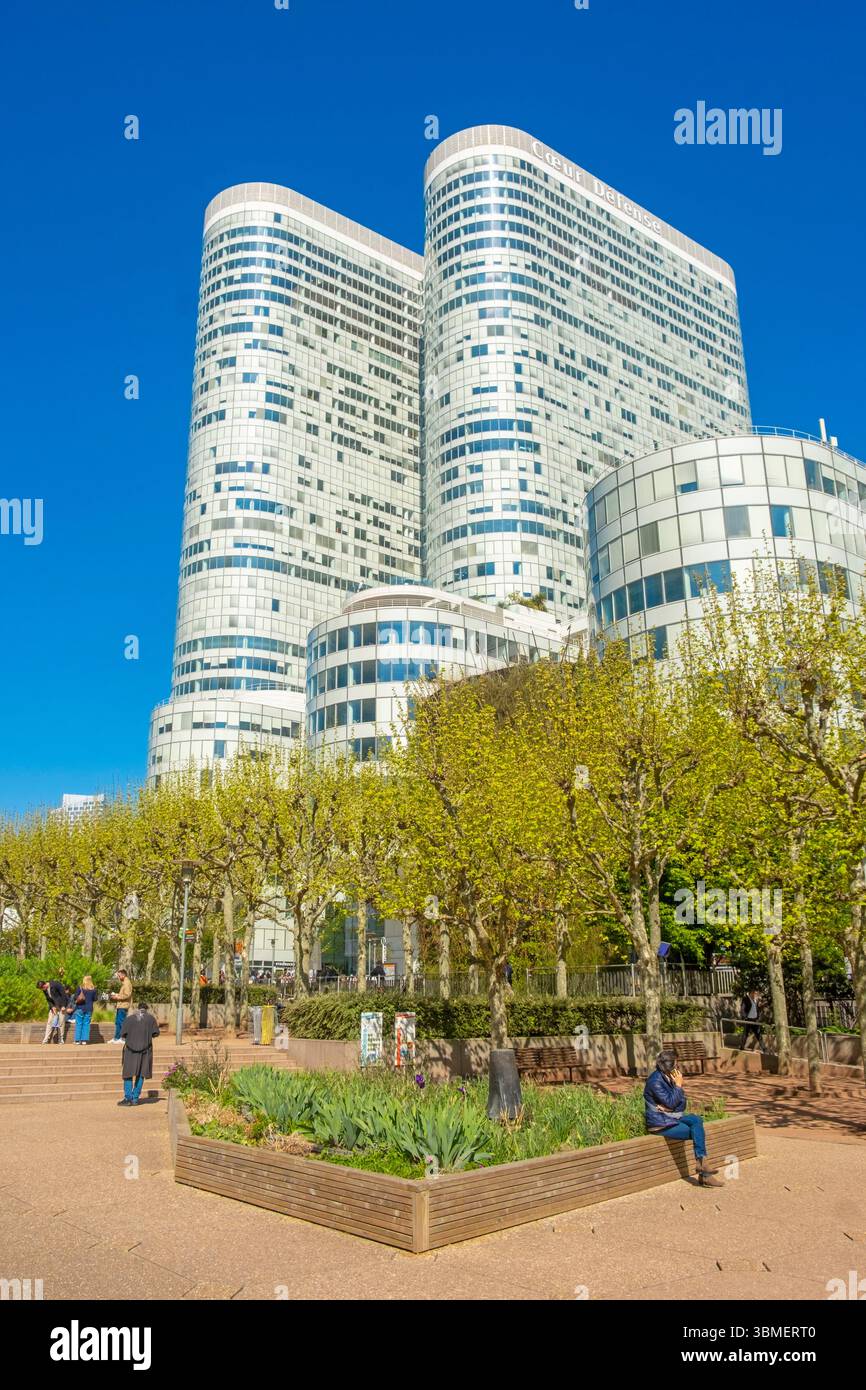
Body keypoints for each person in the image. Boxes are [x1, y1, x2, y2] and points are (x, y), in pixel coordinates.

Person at [644, 1048, 723, 1187]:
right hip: (660, 1123)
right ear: (669, 1066)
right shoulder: (655, 1081)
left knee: (696, 1120)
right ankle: (704, 1172)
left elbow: (681, 1103)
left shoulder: (668, 1077)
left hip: (671, 1116)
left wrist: (670, 1106)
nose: (678, 1067)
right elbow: (672, 1102)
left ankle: (702, 1165)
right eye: (676, 1064)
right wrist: (678, 1086)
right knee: (695, 1131)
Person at [119, 1002, 160, 1106]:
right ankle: (135, 1098)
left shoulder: (129, 1018)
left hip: (130, 1050)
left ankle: (128, 1098)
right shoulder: (151, 1019)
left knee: (128, 1074)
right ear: (146, 1009)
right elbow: (155, 1033)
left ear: (138, 1008)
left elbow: (123, 1034)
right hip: (145, 1051)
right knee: (141, 1074)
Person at [37, 978, 69, 1045]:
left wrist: (63, 1005)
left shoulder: (56, 984)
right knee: (49, 1022)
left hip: (61, 1006)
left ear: (44, 985)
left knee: (61, 1022)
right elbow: (48, 1000)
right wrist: (52, 1007)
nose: (42, 990)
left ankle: (61, 1039)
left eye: (42, 988)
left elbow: (64, 995)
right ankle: (45, 1039)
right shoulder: (44, 990)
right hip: (54, 1007)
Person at [108, 969, 133, 1043]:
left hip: (123, 1005)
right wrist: (117, 995)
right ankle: (116, 1038)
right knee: (118, 1022)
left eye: (119, 976)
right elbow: (124, 994)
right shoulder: (124, 983)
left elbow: (127, 995)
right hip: (121, 1005)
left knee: (121, 1022)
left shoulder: (127, 983)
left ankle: (122, 1038)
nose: (118, 977)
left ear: (123, 975)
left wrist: (117, 997)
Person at [71, 976, 97, 1045]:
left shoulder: (80, 988)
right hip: (89, 1008)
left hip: (80, 1007)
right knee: (86, 1024)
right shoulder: (94, 989)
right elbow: (95, 999)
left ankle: (77, 1041)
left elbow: (75, 997)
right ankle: (84, 1040)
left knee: (79, 1024)